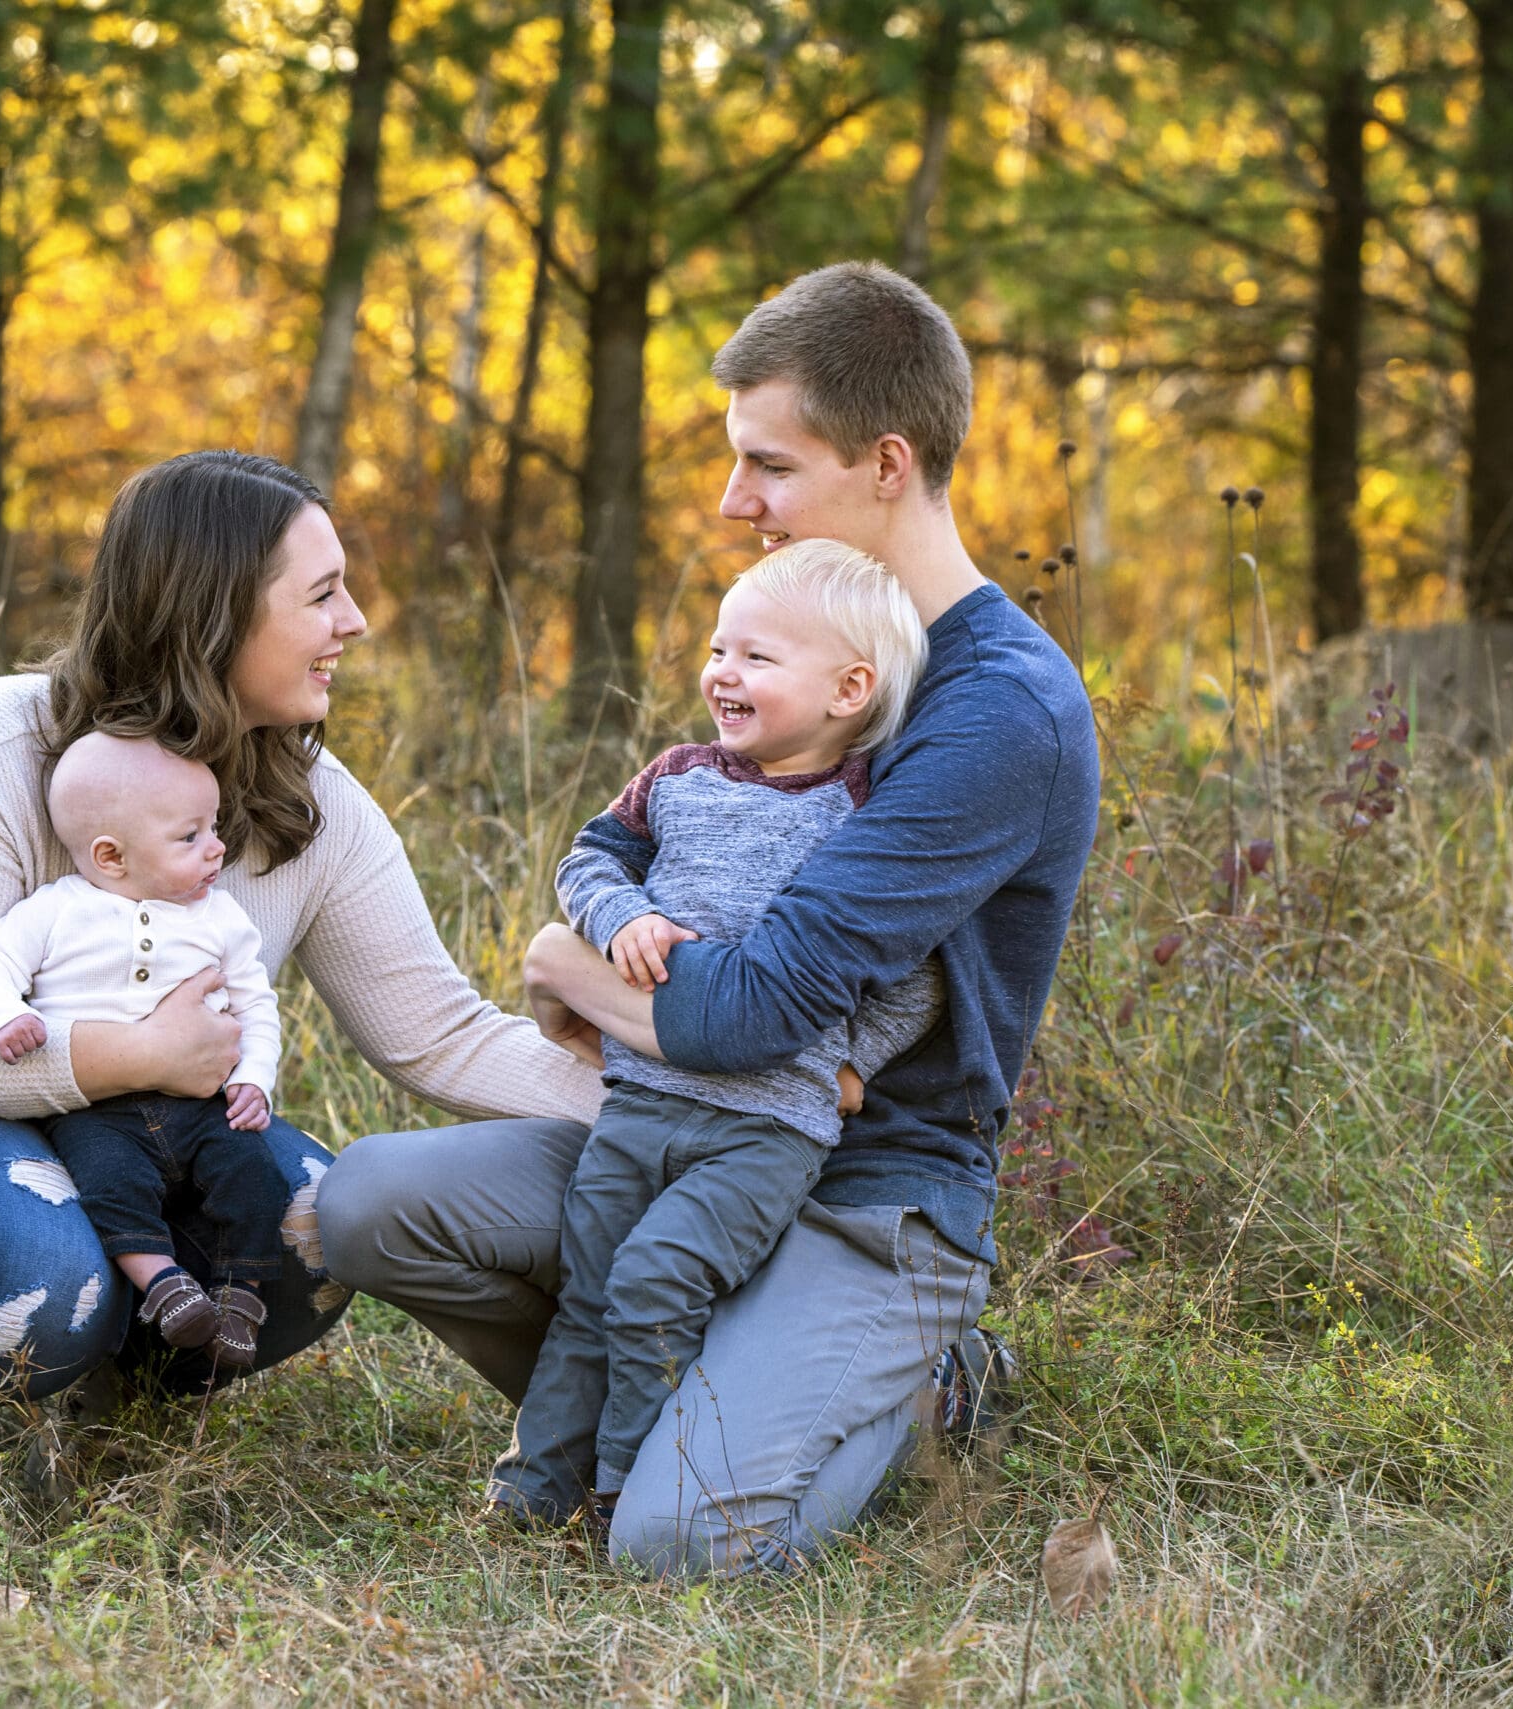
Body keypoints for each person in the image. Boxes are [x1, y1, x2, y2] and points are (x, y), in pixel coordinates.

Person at [318, 261, 1102, 1575]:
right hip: (680, 1132)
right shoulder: (797, 647)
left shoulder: (996, 711)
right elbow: (682, 888)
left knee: (676, 1545)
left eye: (770, 466)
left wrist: (572, 964)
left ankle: (924, 1382)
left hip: (872, 1193)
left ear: (887, 464)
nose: (736, 502)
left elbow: (745, 1016)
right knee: (368, 1204)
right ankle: (684, 1381)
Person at [0, 450, 600, 1527]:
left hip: (117, 1129)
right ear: (212, 612)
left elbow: (439, 1033)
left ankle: (103, 1416)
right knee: (42, 1271)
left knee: (304, 1228)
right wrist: (135, 1055)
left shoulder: (307, 805)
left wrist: (691, 1115)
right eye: (322, 594)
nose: (357, 621)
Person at [489, 540, 941, 1530]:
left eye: (757, 657)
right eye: (717, 648)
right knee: (588, 1288)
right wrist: (617, 918)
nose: (721, 673)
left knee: (655, 1279)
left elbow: (913, 981)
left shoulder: (860, 815)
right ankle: (533, 1489)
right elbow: (588, 863)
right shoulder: (675, 777)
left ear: (848, 687)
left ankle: (624, 1489)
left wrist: (855, 1059)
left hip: (766, 1130)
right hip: (640, 1103)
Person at [0, 732, 284, 1370]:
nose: (217, 848)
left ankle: (239, 1299)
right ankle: (164, 1287)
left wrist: (255, 1077)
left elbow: (256, 1006)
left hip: (200, 1103)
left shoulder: (221, 919)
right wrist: (5, 1017)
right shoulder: (56, 912)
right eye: (189, 837)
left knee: (255, 1174)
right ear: (111, 856)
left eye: (212, 827)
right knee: (108, 1186)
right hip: (96, 1108)